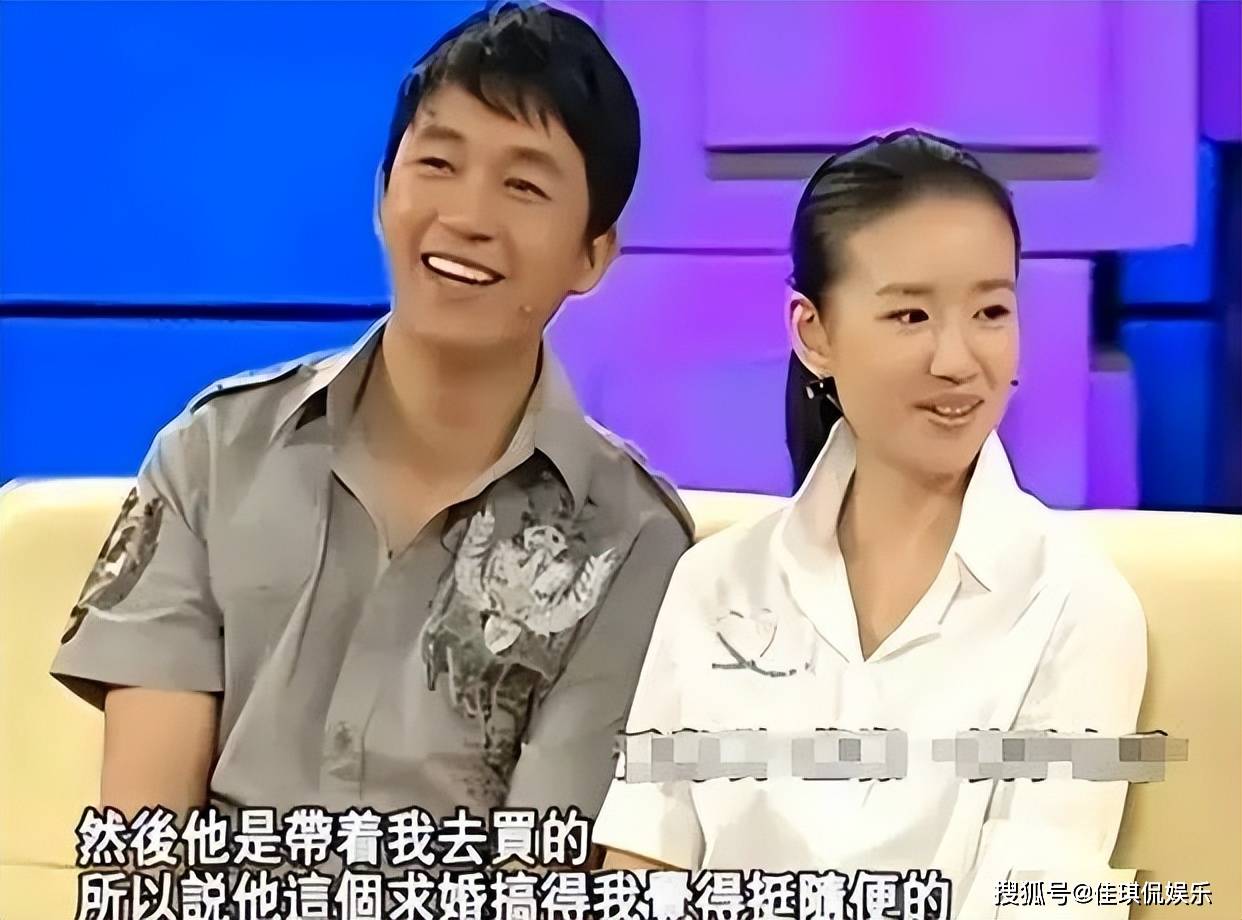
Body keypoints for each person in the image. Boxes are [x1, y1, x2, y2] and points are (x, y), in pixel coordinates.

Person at [50, 0, 693, 836]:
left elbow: (540, 869)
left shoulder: (635, 544)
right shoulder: (213, 453)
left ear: (592, 254)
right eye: (439, 163)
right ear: (384, 192)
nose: (467, 218)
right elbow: (146, 845)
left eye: (524, 186)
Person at [593, 131, 1147, 915]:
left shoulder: (1073, 605)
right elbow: (642, 869)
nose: (957, 359)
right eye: (911, 314)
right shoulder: (714, 586)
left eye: (991, 311)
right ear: (813, 333)